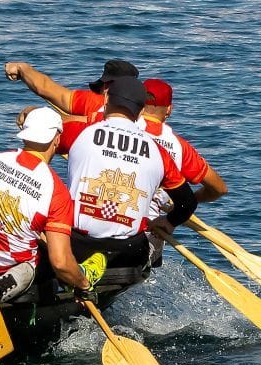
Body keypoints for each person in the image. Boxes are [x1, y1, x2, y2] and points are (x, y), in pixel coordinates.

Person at [0, 107, 103, 303]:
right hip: (9, 271)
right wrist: (84, 285)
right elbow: (60, 262)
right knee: (50, 265)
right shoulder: (56, 190)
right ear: (57, 140)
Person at [67, 77, 198, 267]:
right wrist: (169, 221)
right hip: (128, 252)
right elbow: (188, 202)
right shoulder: (159, 152)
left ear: (106, 100)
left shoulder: (80, 131)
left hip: (78, 245)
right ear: (141, 111)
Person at [139, 78, 228, 265]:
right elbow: (219, 188)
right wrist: (177, 211)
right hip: (150, 229)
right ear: (169, 109)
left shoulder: (113, 127)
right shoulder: (179, 147)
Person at [5, 59, 139, 153]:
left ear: (106, 87)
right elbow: (45, 88)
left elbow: (45, 89)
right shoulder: (146, 122)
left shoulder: (95, 104)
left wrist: (32, 113)